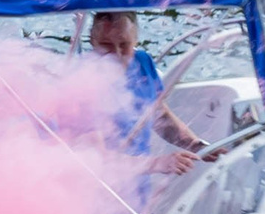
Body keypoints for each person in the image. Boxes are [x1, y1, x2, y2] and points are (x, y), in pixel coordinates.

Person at [89, 10, 208, 174]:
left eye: (124, 45)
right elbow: (94, 160)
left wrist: (197, 146)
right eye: (106, 45)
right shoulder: (80, 85)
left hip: (139, 187)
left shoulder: (142, 62)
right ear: (92, 41)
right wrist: (157, 163)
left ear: (136, 40)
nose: (116, 54)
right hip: (101, 192)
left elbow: (159, 115)